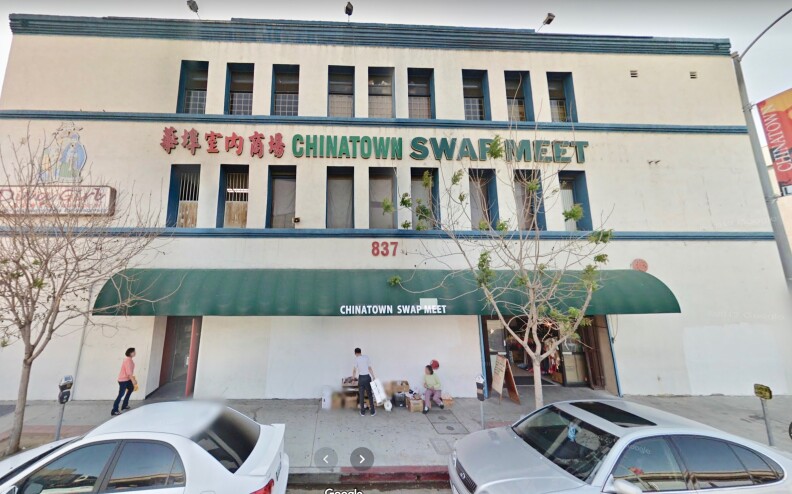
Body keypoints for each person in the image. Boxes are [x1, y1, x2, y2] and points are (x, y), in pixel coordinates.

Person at [111, 347, 137, 416]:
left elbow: (129, 373)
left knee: (131, 388)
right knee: (121, 394)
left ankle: (124, 405)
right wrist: (133, 380)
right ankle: (114, 410)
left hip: (127, 379)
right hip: (123, 380)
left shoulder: (130, 360)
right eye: (134, 352)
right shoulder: (128, 361)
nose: (135, 353)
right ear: (130, 353)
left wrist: (132, 379)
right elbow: (129, 372)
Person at [352, 347, 376, 416]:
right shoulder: (366, 357)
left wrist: (353, 379)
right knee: (370, 395)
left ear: (355, 353)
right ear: (360, 352)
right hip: (367, 377)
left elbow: (354, 370)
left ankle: (362, 412)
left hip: (361, 378)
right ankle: (372, 412)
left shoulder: (356, 359)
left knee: (361, 395)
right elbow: (370, 368)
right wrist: (373, 376)